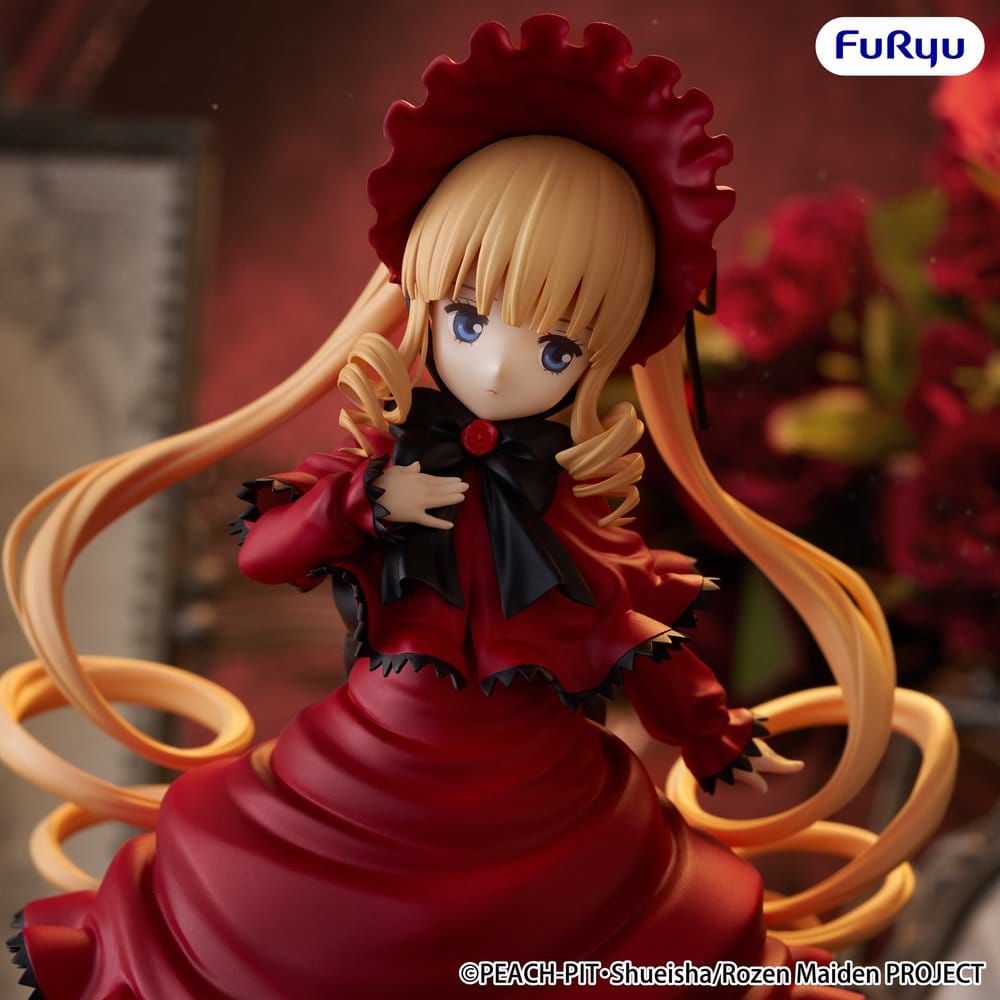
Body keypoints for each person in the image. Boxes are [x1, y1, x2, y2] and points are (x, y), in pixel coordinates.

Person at [0, 16, 956, 999]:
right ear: (418, 297)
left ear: (606, 357)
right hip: (364, 761)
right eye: (467, 318)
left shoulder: (565, 518)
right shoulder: (378, 465)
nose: (498, 366)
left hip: (543, 800)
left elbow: (627, 633)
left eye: (556, 348)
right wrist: (369, 500)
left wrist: (711, 732)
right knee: (246, 897)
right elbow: (268, 551)